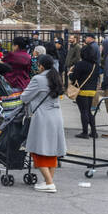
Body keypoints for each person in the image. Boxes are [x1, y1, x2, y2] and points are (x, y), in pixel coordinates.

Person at [22, 54, 66, 192]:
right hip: (56, 116)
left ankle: (49, 183)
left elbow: (25, 97)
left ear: (41, 65)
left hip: (42, 117)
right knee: (51, 150)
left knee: (38, 149)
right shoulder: (56, 77)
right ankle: (48, 181)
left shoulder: (38, 79)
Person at [69, 42, 102, 139]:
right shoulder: (96, 65)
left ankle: (84, 132)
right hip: (92, 90)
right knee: (88, 111)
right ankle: (94, 132)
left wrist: (70, 73)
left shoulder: (80, 64)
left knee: (83, 111)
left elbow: (74, 78)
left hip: (82, 90)